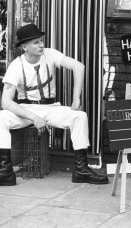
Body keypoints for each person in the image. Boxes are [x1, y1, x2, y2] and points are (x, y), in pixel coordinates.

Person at [0, 24, 109, 186]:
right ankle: (5, 172)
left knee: (80, 116)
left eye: (41, 41)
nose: (41, 45)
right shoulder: (16, 66)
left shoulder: (50, 54)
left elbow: (79, 67)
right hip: (27, 110)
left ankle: (81, 170)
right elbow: (6, 102)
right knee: (1, 118)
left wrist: (76, 98)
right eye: (36, 42)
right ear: (24, 47)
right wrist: (34, 117)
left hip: (51, 108)